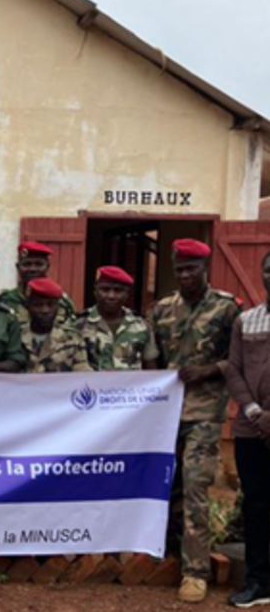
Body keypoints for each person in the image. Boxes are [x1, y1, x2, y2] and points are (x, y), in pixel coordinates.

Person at [148, 238, 241, 604]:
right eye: (180, 269)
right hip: (165, 413)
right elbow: (152, 356)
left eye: (192, 269)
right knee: (166, 486)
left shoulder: (227, 308)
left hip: (204, 412)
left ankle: (195, 572)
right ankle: (168, 554)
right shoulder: (161, 309)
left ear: (206, 268)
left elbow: (239, 358)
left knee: (196, 487)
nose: (185, 275)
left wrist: (208, 370)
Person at [225, 250, 270, 608]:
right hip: (250, 428)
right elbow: (234, 370)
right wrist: (256, 412)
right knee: (255, 505)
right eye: (268, 270)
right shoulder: (247, 321)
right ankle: (258, 581)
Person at [75, 266, 159, 371]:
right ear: (95, 291)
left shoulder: (142, 326)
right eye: (105, 289)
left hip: (131, 382)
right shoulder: (78, 325)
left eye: (118, 290)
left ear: (127, 294)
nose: (111, 296)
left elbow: (151, 368)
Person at [0, 242, 76, 327]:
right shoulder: (2, 301)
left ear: (47, 267)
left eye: (39, 264)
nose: (32, 269)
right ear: (18, 267)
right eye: (27, 264)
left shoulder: (62, 303)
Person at [20, 278, 92, 373]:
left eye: (51, 305)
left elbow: (82, 374)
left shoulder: (72, 338)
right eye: (38, 305)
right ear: (28, 306)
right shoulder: (16, 336)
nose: (45, 310)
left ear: (58, 307)